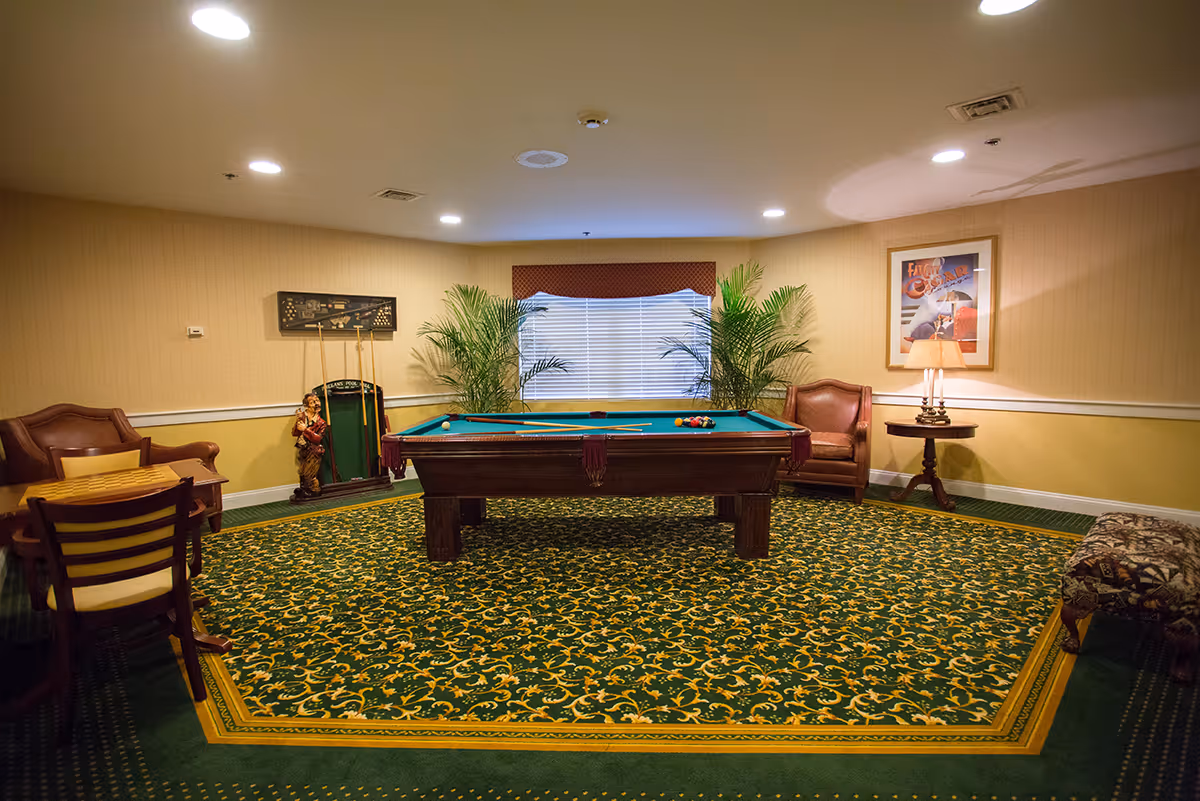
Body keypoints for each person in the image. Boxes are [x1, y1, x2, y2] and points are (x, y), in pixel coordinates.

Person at [292, 392, 327, 496]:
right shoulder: (303, 417)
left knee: (310, 472)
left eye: (317, 401)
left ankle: (314, 490)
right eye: (313, 402)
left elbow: (318, 439)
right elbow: (295, 433)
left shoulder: (321, 423)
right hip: (303, 448)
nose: (316, 404)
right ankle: (304, 490)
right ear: (306, 406)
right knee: (302, 471)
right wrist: (299, 421)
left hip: (313, 450)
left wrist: (305, 430)